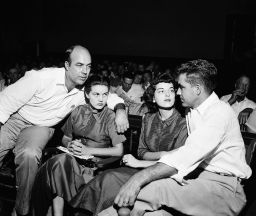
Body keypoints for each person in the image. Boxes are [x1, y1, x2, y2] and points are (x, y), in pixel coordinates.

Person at [99, 59, 252, 216]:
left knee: (155, 189)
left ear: (197, 89)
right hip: (196, 178)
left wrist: (137, 179)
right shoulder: (192, 109)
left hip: (223, 188)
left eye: (181, 87)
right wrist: (120, 110)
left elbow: (188, 153)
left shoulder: (219, 113)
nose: (177, 93)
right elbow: (116, 98)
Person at [0, 45, 128, 216]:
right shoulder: (40, 78)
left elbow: (107, 96)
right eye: (79, 65)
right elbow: (5, 102)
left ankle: (21, 210)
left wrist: (120, 111)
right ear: (67, 65)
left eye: (88, 66)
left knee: (29, 155)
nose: (84, 71)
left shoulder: (84, 90)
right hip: (14, 118)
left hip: (40, 127)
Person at [64, 72, 188, 215]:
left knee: (118, 197)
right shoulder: (148, 118)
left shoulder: (183, 123)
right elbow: (142, 152)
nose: (167, 94)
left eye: (171, 90)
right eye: (161, 91)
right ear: (153, 97)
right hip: (142, 168)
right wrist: (164, 154)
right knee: (108, 178)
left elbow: (177, 163)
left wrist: (141, 162)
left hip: (166, 176)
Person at [31, 75, 126, 216]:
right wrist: (70, 145)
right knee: (60, 161)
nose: (101, 99)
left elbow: (119, 151)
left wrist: (88, 150)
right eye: (96, 94)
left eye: (105, 94)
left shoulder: (110, 117)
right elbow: (65, 138)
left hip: (96, 167)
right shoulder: (78, 111)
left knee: (59, 165)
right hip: (74, 162)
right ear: (87, 94)